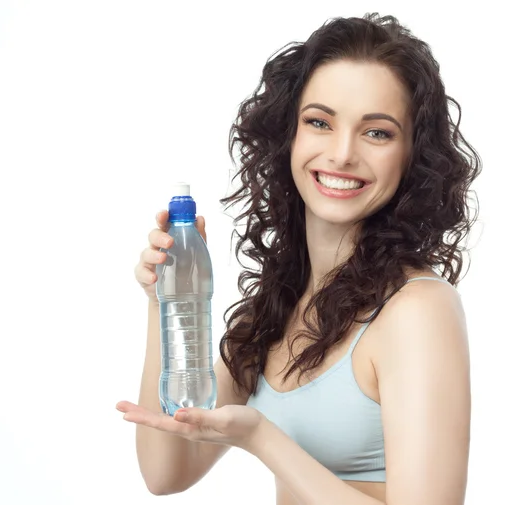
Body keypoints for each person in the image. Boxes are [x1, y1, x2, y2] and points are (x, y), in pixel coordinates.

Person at [116, 12, 481, 505]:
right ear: (288, 135)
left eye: (377, 132)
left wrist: (263, 439)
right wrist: (164, 301)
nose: (342, 153)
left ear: (413, 155)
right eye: (319, 122)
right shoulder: (276, 308)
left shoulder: (416, 310)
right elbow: (166, 472)